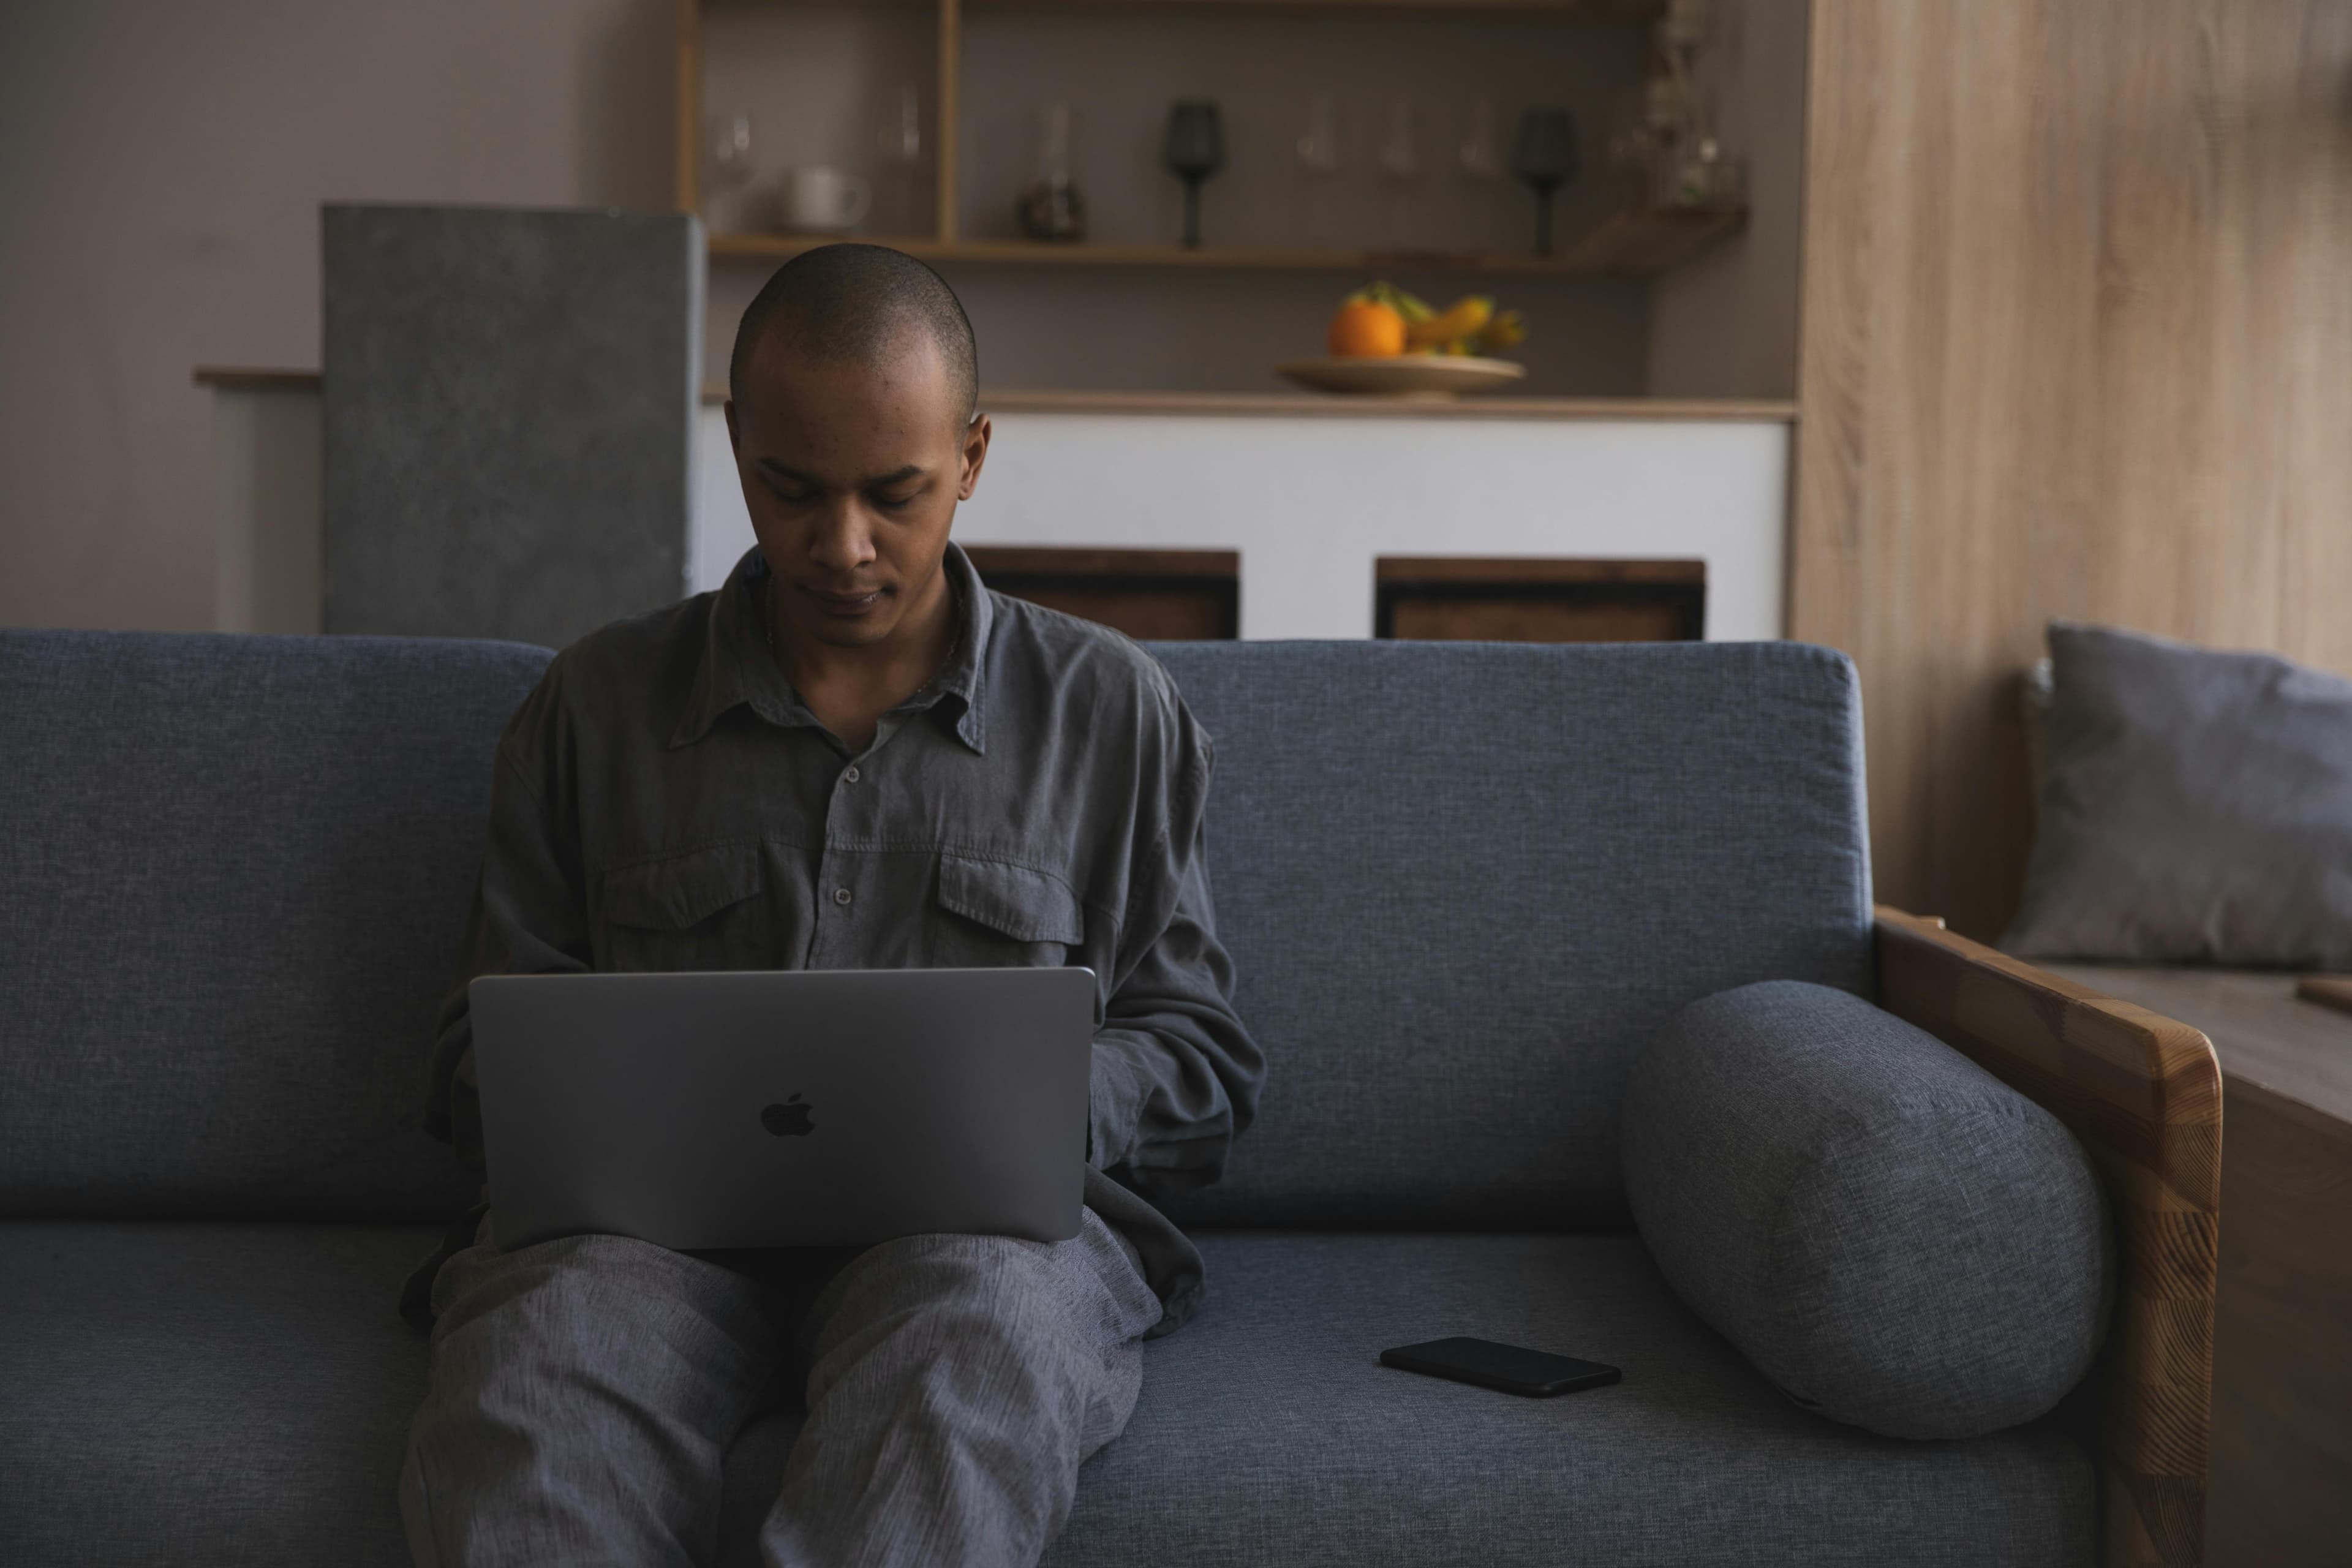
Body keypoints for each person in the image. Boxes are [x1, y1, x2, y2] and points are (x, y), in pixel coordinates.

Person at [398, 244, 1264, 1568]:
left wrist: (1030, 1102)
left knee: (976, 1342)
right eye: (791, 490)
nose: (842, 547)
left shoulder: (1109, 711)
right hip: (644, 1251)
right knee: (542, 1361)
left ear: (971, 457)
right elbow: (476, 1056)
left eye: (896, 495)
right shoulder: (597, 706)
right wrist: (573, 1108)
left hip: (976, 1246)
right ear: (737, 442)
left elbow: (1201, 1057)